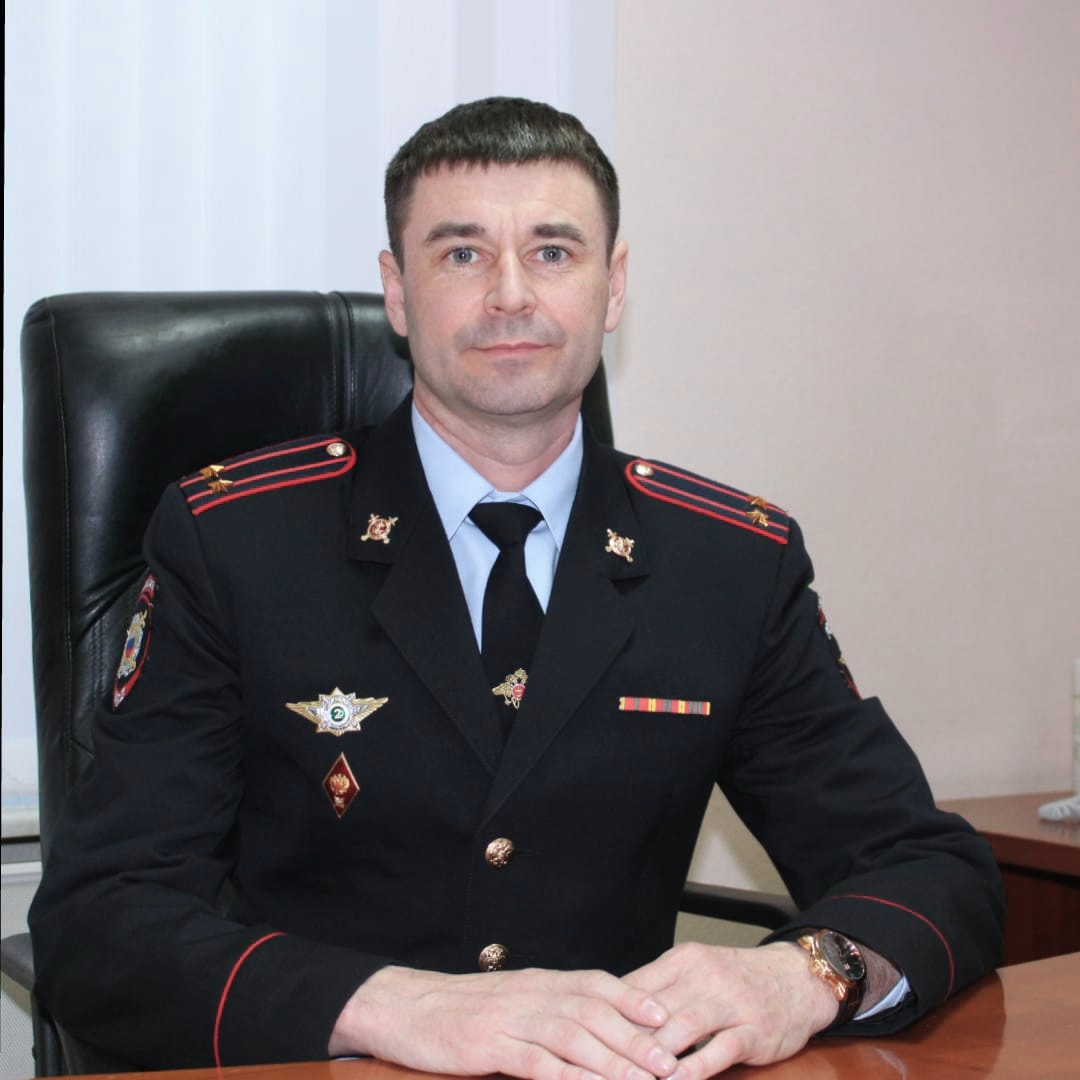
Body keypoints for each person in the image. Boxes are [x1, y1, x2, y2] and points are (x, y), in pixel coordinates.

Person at [29, 97, 1003, 1078]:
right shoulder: (236, 542)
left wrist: (805, 974)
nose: (509, 294)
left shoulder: (729, 563)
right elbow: (98, 918)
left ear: (612, 287)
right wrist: (381, 1005)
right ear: (397, 292)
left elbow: (929, 866)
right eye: (461, 253)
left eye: (552, 251)